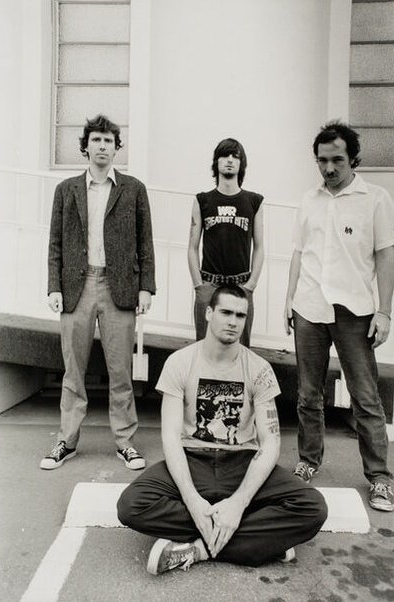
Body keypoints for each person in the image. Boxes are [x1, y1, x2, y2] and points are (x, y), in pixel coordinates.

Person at [117, 285, 327, 575]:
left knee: (313, 507)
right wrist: (192, 501)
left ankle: (197, 550)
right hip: (194, 459)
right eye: (226, 312)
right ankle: (261, 541)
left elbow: (270, 443)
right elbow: (170, 437)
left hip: (242, 462)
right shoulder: (179, 363)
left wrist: (239, 504)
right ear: (208, 313)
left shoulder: (259, 369)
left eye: (240, 315)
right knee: (131, 505)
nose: (233, 321)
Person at [284, 121, 394, 512]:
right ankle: (308, 461)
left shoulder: (375, 199)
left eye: (337, 160)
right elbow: (299, 252)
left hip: (355, 311)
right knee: (308, 394)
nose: (329, 169)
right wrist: (288, 299)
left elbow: (385, 255)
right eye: (322, 161)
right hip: (310, 306)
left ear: (353, 159)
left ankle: (380, 478)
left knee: (365, 396)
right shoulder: (309, 200)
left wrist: (384, 310)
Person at [41, 114, 156, 471]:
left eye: (109, 141)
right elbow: (55, 242)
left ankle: (125, 443)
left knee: (119, 369)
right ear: (86, 146)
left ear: (116, 147)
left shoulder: (133, 189)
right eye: (96, 140)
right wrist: (54, 286)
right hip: (77, 285)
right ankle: (66, 441)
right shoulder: (67, 190)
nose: (102, 146)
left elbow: (145, 242)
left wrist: (146, 287)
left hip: (118, 286)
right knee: (73, 369)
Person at [188, 138, 264, 347]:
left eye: (235, 156)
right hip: (209, 285)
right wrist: (199, 286)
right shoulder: (202, 200)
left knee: (240, 350)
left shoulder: (254, 201)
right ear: (216, 162)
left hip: (241, 285)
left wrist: (251, 285)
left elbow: (259, 247)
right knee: (205, 348)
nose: (230, 160)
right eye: (225, 155)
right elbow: (192, 247)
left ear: (242, 164)